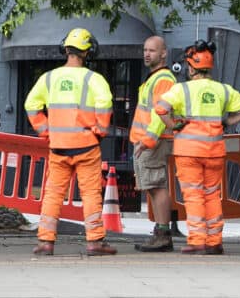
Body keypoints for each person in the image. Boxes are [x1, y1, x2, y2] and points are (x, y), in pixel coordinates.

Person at [151, 41, 240, 255]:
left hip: (188, 151)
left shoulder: (181, 90)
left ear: (191, 67)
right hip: (214, 150)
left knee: (194, 195)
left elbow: (160, 109)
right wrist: (227, 122)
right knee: (212, 194)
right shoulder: (223, 90)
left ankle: (197, 240)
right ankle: (214, 241)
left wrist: (174, 125)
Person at [24, 28, 115, 256]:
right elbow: (105, 104)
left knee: (53, 193)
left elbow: (31, 105)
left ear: (65, 49)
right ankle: (95, 242)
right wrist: (100, 131)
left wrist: (46, 132)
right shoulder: (94, 79)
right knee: (91, 194)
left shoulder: (49, 78)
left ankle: (46, 241)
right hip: (87, 145)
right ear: (88, 52)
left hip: (59, 146)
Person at [129, 35, 178, 252]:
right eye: (145, 50)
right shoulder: (155, 78)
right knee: (152, 187)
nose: (147, 54)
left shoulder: (163, 79)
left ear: (164, 54)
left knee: (157, 186)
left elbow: (160, 113)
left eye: (152, 50)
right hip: (147, 139)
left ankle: (163, 234)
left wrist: (148, 140)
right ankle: (160, 233)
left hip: (153, 141)